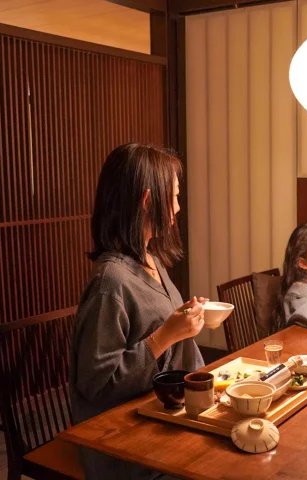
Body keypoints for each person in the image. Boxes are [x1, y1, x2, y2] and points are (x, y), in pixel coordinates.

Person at [70, 143, 209, 479]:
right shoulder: (111, 281)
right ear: (148, 201)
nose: (177, 207)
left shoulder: (152, 260)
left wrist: (185, 320)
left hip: (165, 413)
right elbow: (95, 384)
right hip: (124, 443)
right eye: (174, 196)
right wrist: (166, 335)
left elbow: (164, 328)